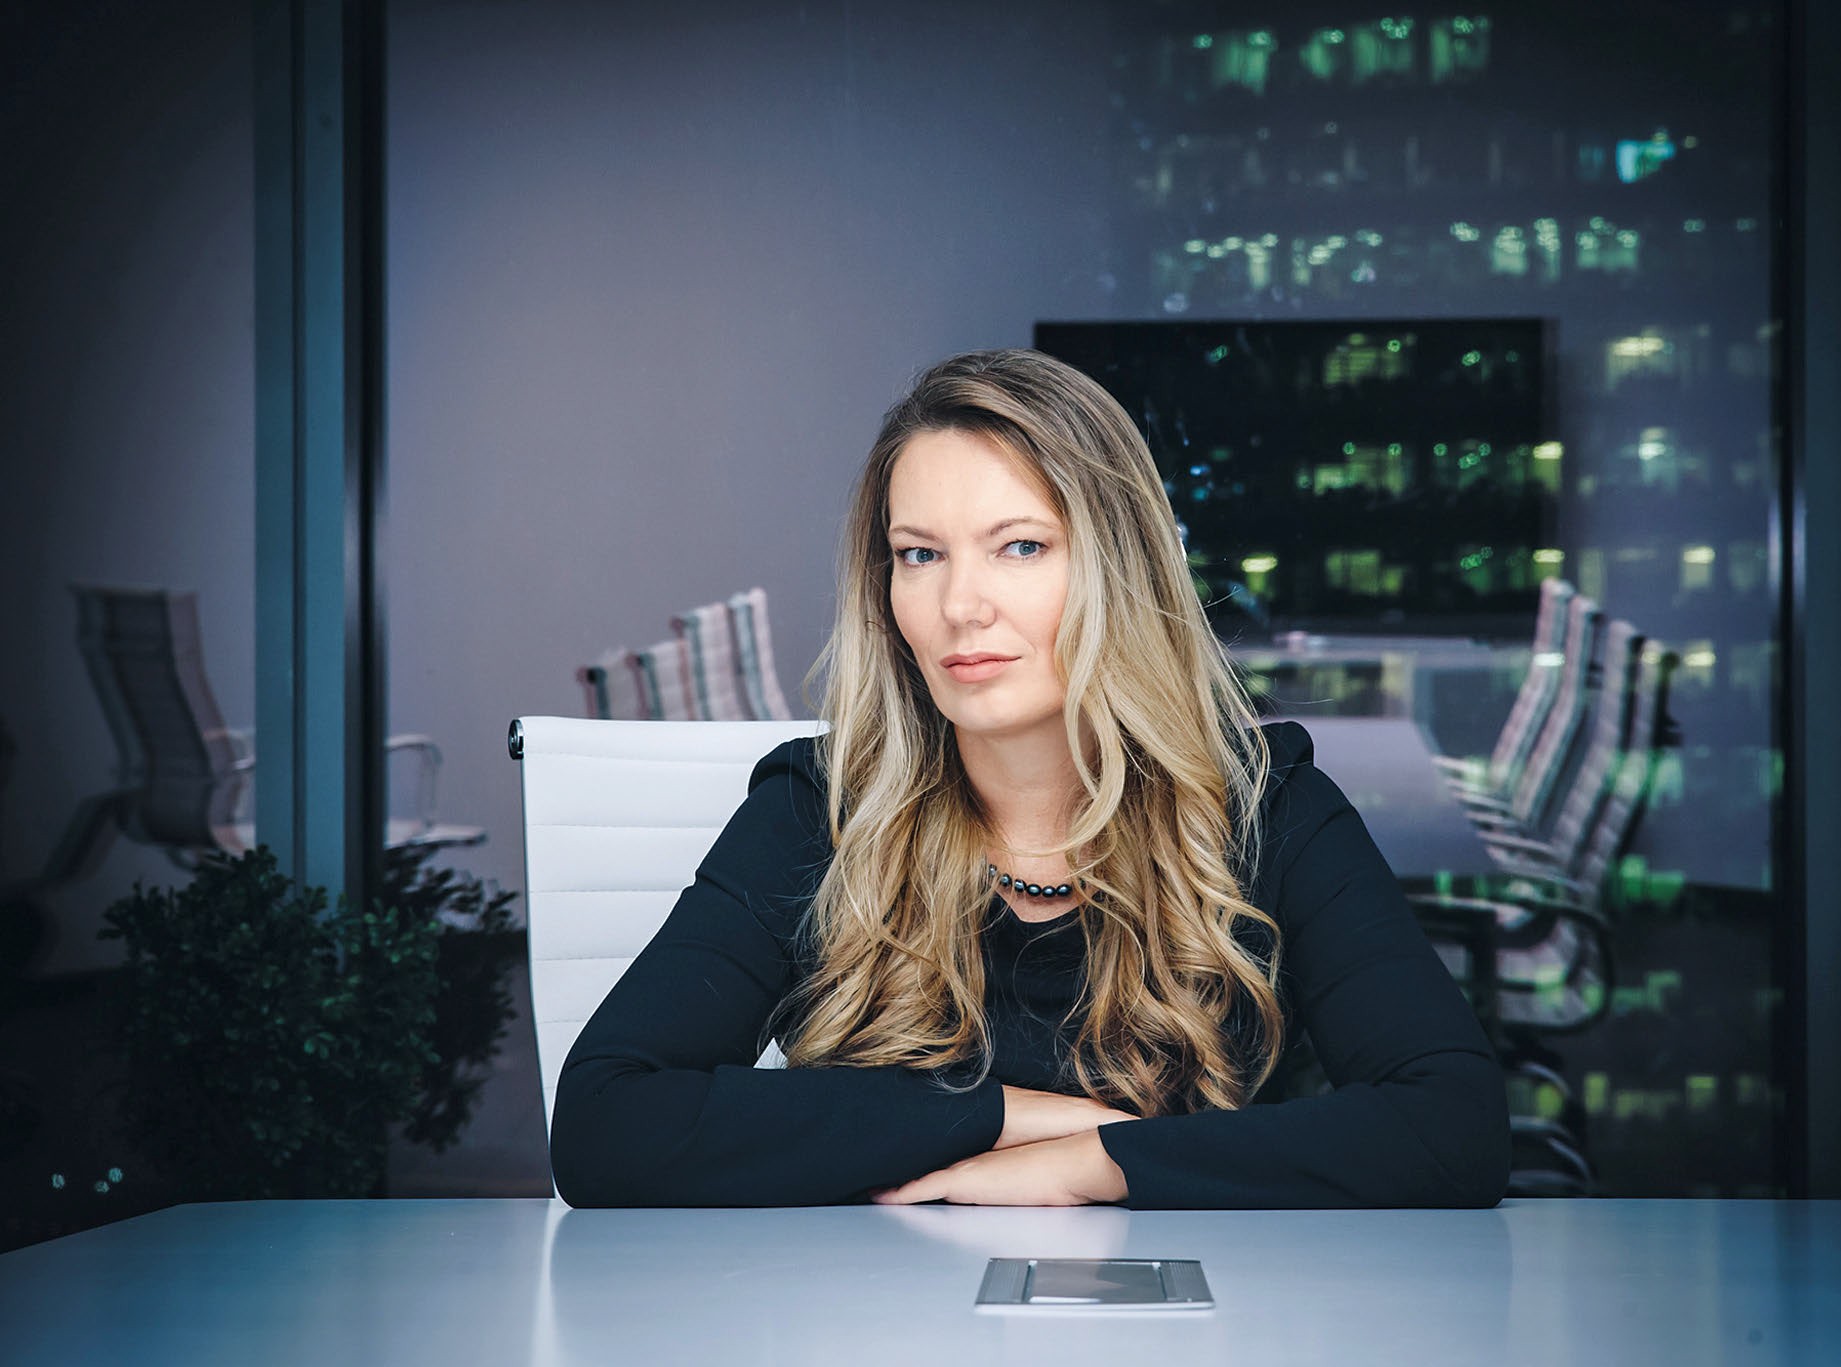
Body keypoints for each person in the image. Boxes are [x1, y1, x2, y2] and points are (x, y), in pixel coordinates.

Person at [551, 349, 1509, 1209]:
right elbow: (606, 1123)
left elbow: (1452, 1125)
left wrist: (1095, 1164)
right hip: (871, 1311)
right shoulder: (821, 812)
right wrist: (1009, 1117)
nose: (960, 605)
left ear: (1119, 568)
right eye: (920, 555)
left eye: (1020, 546)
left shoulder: (1268, 807)